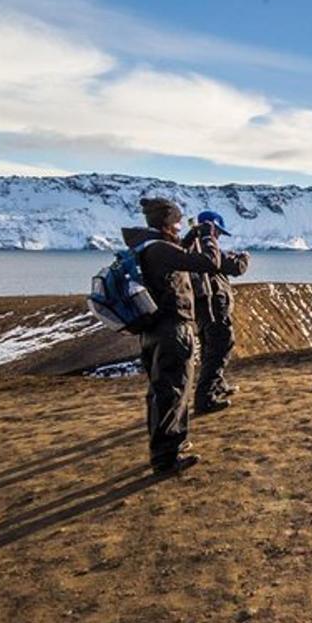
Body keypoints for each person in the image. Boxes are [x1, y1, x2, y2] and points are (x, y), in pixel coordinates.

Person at [122, 197, 222, 474]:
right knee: (173, 390)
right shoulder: (160, 250)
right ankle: (166, 458)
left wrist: (190, 237)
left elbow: (178, 255)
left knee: (161, 390)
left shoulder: (147, 247)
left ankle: (168, 444)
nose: (179, 227)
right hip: (172, 329)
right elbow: (209, 263)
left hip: (153, 329)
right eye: (177, 222)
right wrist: (209, 237)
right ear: (167, 222)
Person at [183, 210, 250, 414]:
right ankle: (206, 398)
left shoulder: (191, 247)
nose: (218, 236)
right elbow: (235, 268)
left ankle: (217, 386)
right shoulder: (207, 249)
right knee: (221, 346)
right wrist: (244, 257)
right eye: (217, 231)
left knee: (209, 348)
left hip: (203, 308)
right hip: (213, 306)